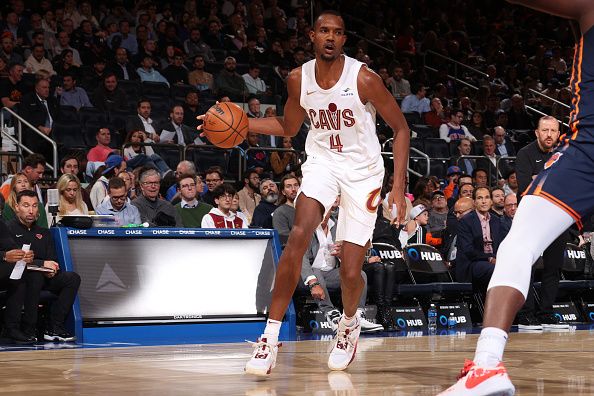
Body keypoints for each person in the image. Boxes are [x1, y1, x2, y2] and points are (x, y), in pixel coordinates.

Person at [226, 10, 409, 376]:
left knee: (351, 270)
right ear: (311, 35)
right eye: (324, 30)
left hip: (363, 171)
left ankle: (350, 323)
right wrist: (241, 122)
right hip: (322, 161)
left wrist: (399, 189)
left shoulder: (364, 79)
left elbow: (401, 128)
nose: (330, 37)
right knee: (298, 235)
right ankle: (269, 338)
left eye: (338, 32)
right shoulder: (298, 79)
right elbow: (289, 126)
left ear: (344, 39)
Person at [301, 197, 383, 333]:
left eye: (325, 211)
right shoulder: (306, 229)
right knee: (316, 270)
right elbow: (300, 259)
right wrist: (313, 283)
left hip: (330, 274)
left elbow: (350, 255)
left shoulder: (337, 226)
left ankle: (357, 316)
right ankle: (331, 315)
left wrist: (342, 254)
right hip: (306, 276)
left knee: (360, 274)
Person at [8, 190, 81, 342]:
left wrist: (51, 269)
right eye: (26, 206)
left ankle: (55, 327)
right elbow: (12, 260)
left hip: (43, 277)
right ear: (16, 207)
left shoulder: (44, 232)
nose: (31, 210)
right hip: (18, 278)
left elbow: (52, 259)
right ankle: (28, 328)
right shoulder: (8, 229)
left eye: (34, 206)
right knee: (33, 276)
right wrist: (41, 264)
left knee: (72, 278)